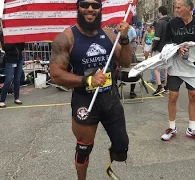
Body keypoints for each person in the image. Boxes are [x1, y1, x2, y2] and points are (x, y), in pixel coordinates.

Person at [49, 0, 132, 179]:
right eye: (85, 4)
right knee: (84, 148)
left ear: (100, 9)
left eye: (95, 6)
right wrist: (88, 80)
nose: (90, 9)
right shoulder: (66, 38)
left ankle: (112, 161)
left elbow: (126, 62)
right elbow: (55, 74)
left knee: (122, 146)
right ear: (78, 7)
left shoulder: (109, 34)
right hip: (85, 100)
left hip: (110, 98)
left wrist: (124, 39)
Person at [161, 0, 195, 142]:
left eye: (178, 7)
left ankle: (192, 129)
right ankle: (172, 128)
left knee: (193, 95)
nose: (176, 10)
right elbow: (166, 42)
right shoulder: (172, 23)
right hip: (175, 64)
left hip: (191, 64)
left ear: (188, 8)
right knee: (173, 96)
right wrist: (176, 48)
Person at [0, 32, 25, 108]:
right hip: (10, 60)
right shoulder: (3, 33)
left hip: (19, 59)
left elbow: (22, 47)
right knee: (9, 79)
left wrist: (19, 39)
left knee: (17, 79)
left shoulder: (18, 31)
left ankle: (16, 98)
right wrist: (14, 40)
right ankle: (2, 100)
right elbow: (5, 47)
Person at [151, 6, 171, 96]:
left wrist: (153, 47)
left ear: (160, 12)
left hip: (160, 48)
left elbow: (157, 37)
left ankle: (160, 86)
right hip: (169, 48)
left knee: (156, 67)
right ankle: (167, 87)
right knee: (167, 68)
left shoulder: (160, 22)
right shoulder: (171, 21)